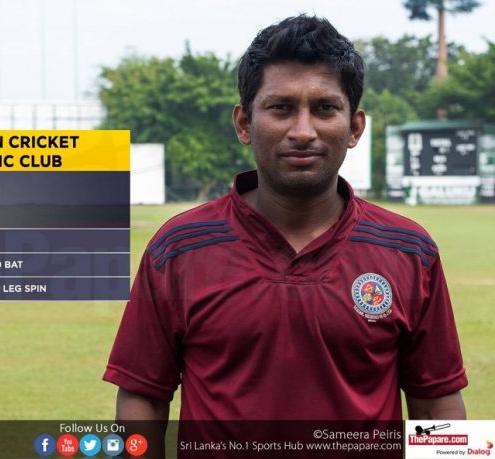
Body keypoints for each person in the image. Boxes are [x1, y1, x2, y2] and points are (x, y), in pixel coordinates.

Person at [104, 13, 467, 452]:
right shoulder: (178, 249)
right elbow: (143, 395)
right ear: (244, 123)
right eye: (281, 108)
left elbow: (436, 402)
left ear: (354, 127)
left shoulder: (409, 250)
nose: (302, 131)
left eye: (325, 108)